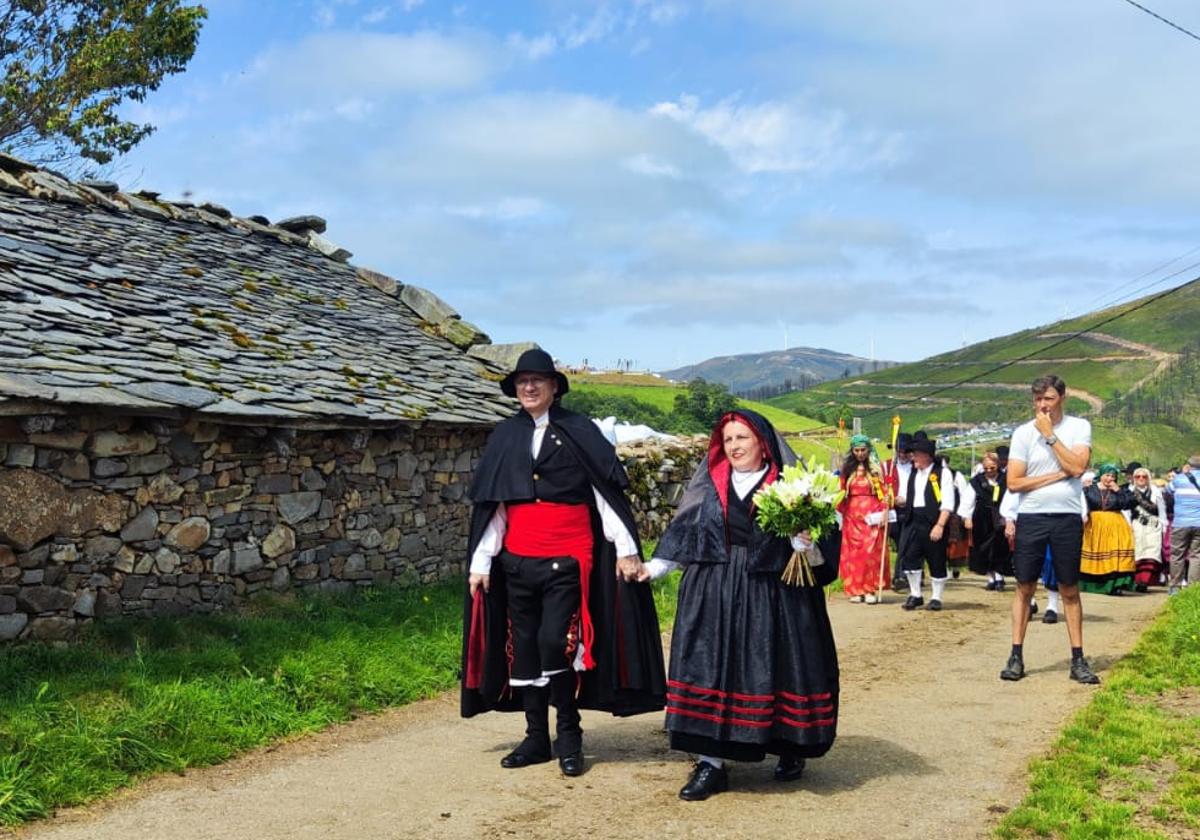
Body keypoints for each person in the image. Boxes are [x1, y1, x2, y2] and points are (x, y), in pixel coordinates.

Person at [460, 348, 666, 777]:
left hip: (569, 560)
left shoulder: (580, 430)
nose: (529, 387)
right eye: (522, 382)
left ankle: (569, 736)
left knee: (557, 642)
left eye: (538, 380)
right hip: (517, 563)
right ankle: (537, 739)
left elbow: (604, 497)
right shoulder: (505, 435)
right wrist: (482, 561)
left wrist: (626, 550)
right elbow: (496, 506)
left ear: (555, 387)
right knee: (525, 648)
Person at [644, 409, 839, 801]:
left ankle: (789, 747)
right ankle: (710, 764)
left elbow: (824, 542)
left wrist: (807, 544)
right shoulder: (709, 486)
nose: (733, 446)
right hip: (713, 591)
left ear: (762, 444)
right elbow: (686, 535)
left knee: (779, 667)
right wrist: (653, 568)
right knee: (710, 670)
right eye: (728, 439)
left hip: (775, 593)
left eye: (742, 438)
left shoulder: (792, 485)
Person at [999, 374, 1098, 685]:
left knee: (1069, 588)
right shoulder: (1022, 433)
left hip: (1067, 516)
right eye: (1038, 400)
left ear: (1062, 399)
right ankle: (1016, 654)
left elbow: (1079, 466)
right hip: (1032, 516)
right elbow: (1014, 482)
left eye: (1049, 399)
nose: (1043, 406)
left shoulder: (1078, 427)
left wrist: (1051, 437)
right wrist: (1057, 475)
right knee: (1024, 587)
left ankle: (1078, 659)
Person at [897, 432, 956, 611]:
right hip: (913, 519)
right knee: (909, 557)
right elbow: (912, 497)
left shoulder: (942, 473)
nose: (912, 457)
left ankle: (936, 597)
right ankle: (915, 594)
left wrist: (940, 525)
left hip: (933, 520)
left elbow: (947, 502)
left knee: (936, 558)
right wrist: (899, 500)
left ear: (927, 456)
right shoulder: (914, 473)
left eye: (915, 454)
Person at [837, 434, 895, 603]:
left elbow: (884, 494)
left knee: (870, 554)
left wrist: (885, 507)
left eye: (863, 450)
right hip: (852, 517)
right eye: (857, 450)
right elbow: (841, 493)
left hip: (871, 515)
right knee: (853, 554)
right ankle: (855, 590)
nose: (860, 453)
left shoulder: (875, 470)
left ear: (869, 450)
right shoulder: (847, 471)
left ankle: (870, 589)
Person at [1079, 464, 1136, 595]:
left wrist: (1118, 491)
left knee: (1115, 555)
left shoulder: (1121, 490)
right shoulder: (1089, 490)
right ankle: (1091, 584)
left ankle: (1114, 586)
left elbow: (1129, 504)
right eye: (1107, 475)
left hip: (1116, 525)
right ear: (1101, 475)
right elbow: (1082, 504)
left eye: (1113, 476)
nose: (1110, 478)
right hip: (1095, 525)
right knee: (1094, 551)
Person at [966, 452, 1013, 591]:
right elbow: (968, 500)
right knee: (983, 548)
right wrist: (967, 517)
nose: (989, 471)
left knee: (1000, 547)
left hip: (1001, 516)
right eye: (986, 468)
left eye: (992, 468)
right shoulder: (976, 481)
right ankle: (990, 577)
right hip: (982, 518)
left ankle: (999, 577)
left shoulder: (1006, 479)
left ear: (997, 465)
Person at [1128, 467, 1166, 592]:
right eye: (1137, 477)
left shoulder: (1155, 491)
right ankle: (1136, 581)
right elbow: (1126, 511)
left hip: (1153, 525)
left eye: (1144, 476)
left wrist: (1163, 525)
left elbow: (1161, 509)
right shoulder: (1130, 491)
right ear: (1134, 478)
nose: (1141, 479)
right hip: (1137, 525)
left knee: (1152, 553)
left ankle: (1145, 581)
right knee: (1138, 552)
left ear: (1148, 478)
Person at [1167, 455, 1200, 596]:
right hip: (1199, 523)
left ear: (1189, 465)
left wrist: (1182, 472)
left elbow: (1168, 490)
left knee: (1177, 555)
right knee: (1196, 556)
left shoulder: (1179, 479)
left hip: (1180, 522)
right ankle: (1193, 588)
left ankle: (1175, 587)